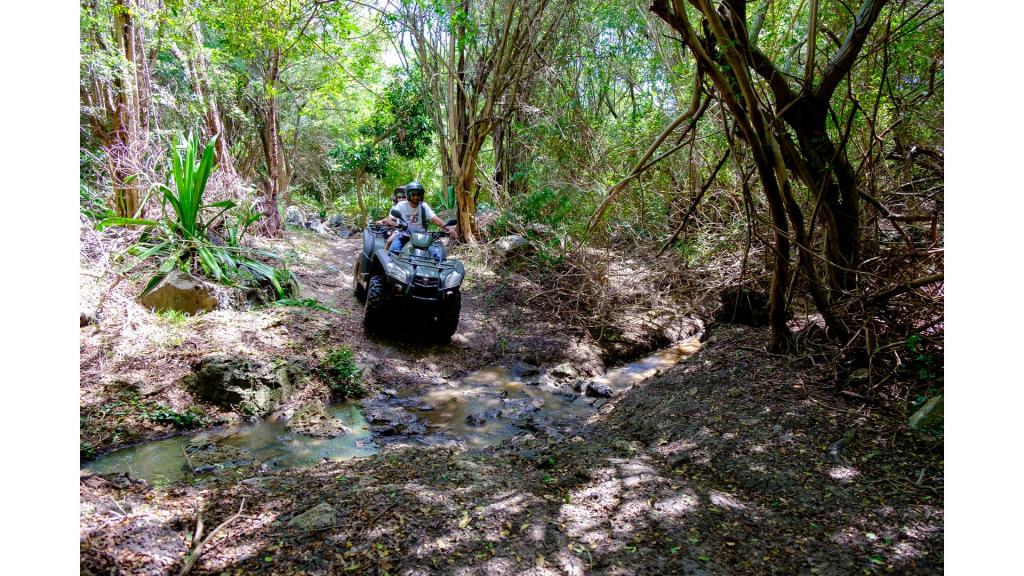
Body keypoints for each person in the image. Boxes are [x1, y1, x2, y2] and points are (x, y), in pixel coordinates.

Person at [380, 181, 454, 253]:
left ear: (421, 196)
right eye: (413, 194)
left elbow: (436, 220)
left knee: (437, 254)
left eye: (418, 195)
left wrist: (449, 228)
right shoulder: (401, 205)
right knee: (394, 250)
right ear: (408, 195)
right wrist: (397, 225)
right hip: (404, 235)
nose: (416, 197)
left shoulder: (424, 206)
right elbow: (391, 219)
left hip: (421, 236)